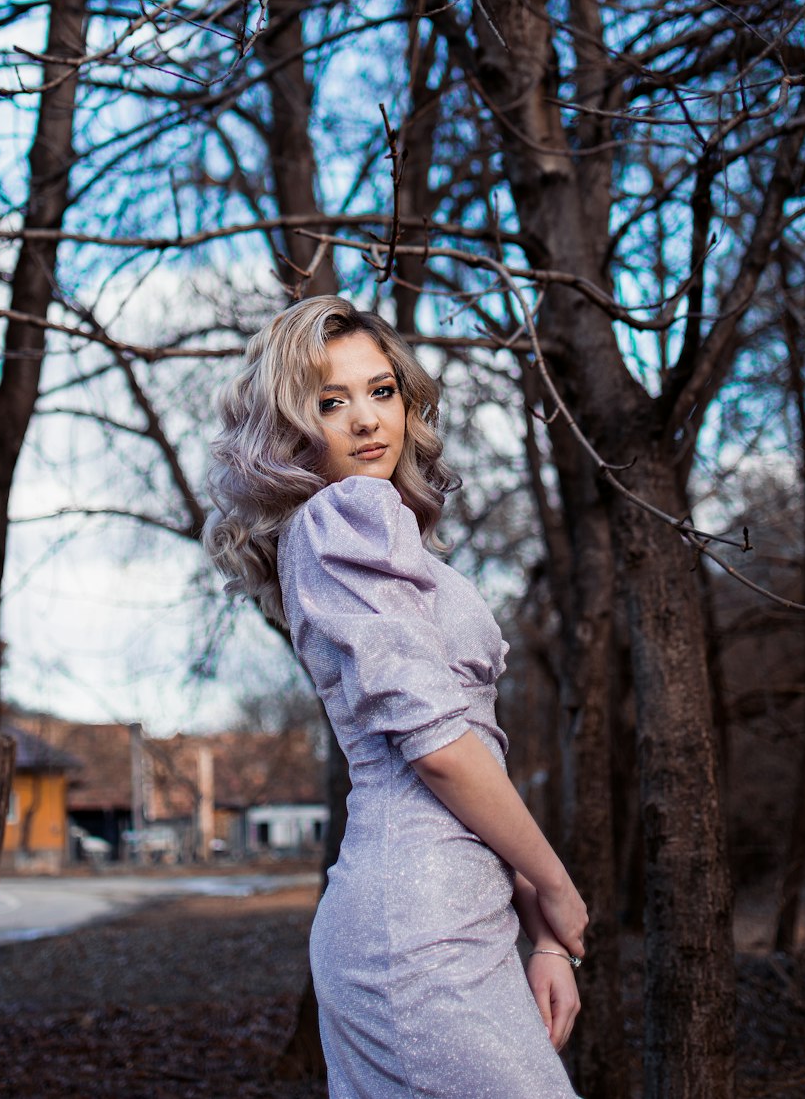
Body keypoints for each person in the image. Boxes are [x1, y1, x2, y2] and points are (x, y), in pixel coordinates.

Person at [205, 295, 587, 1098]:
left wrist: (541, 937)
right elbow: (439, 751)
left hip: (450, 919)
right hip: (415, 935)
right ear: (291, 429)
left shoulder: (369, 536)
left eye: (381, 391)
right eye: (330, 402)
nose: (366, 420)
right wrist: (554, 885)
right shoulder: (348, 513)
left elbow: (468, 749)